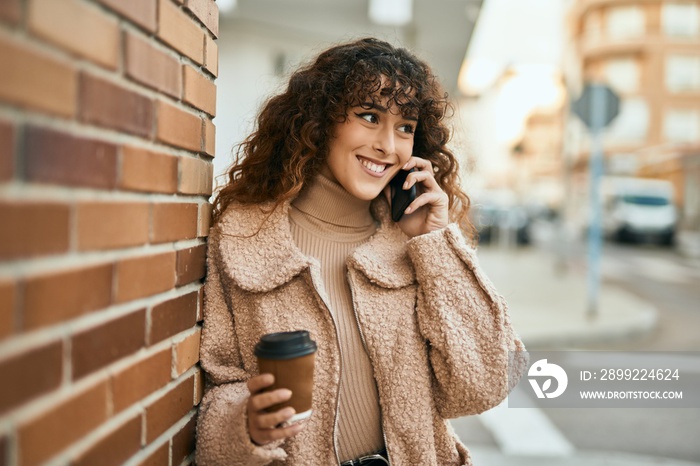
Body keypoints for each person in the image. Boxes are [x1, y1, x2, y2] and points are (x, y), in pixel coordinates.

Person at [196, 37, 526, 466]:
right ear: (320, 122)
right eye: (369, 117)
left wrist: (437, 244)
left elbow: (487, 381)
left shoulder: (416, 246)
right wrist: (246, 427)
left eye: (405, 127)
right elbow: (220, 384)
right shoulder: (243, 239)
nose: (388, 146)